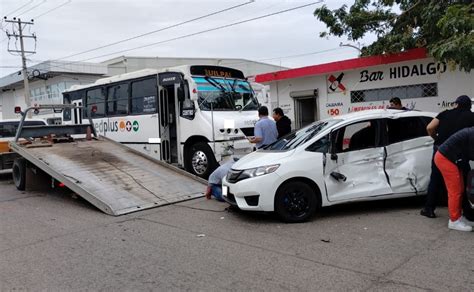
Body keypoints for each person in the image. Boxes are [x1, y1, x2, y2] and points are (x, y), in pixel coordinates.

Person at [421, 95, 474, 218]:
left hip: (440, 149)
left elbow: (429, 127)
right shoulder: (471, 116)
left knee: (435, 179)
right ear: (469, 106)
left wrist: (436, 138)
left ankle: (429, 209)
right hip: (460, 153)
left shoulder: (445, 113)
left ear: (456, 104)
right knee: (464, 181)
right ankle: (467, 211)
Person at [434, 127, 474, 232]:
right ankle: (454, 221)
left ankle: (459, 217)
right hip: (445, 159)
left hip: (450, 158)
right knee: (455, 191)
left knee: (460, 189)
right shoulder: (472, 134)